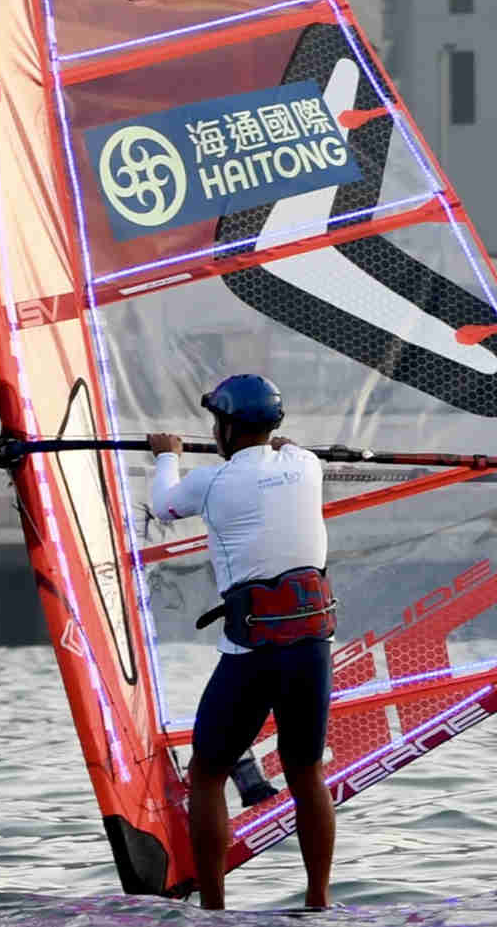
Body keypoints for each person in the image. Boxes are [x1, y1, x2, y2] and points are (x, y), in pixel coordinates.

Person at [144, 373, 338, 913]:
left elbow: (163, 506)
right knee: (306, 773)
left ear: (226, 427)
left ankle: (213, 909)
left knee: (207, 771)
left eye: (217, 423)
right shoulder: (307, 466)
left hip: (252, 652)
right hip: (310, 646)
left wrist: (167, 454)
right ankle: (318, 903)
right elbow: (286, 451)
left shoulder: (210, 482)